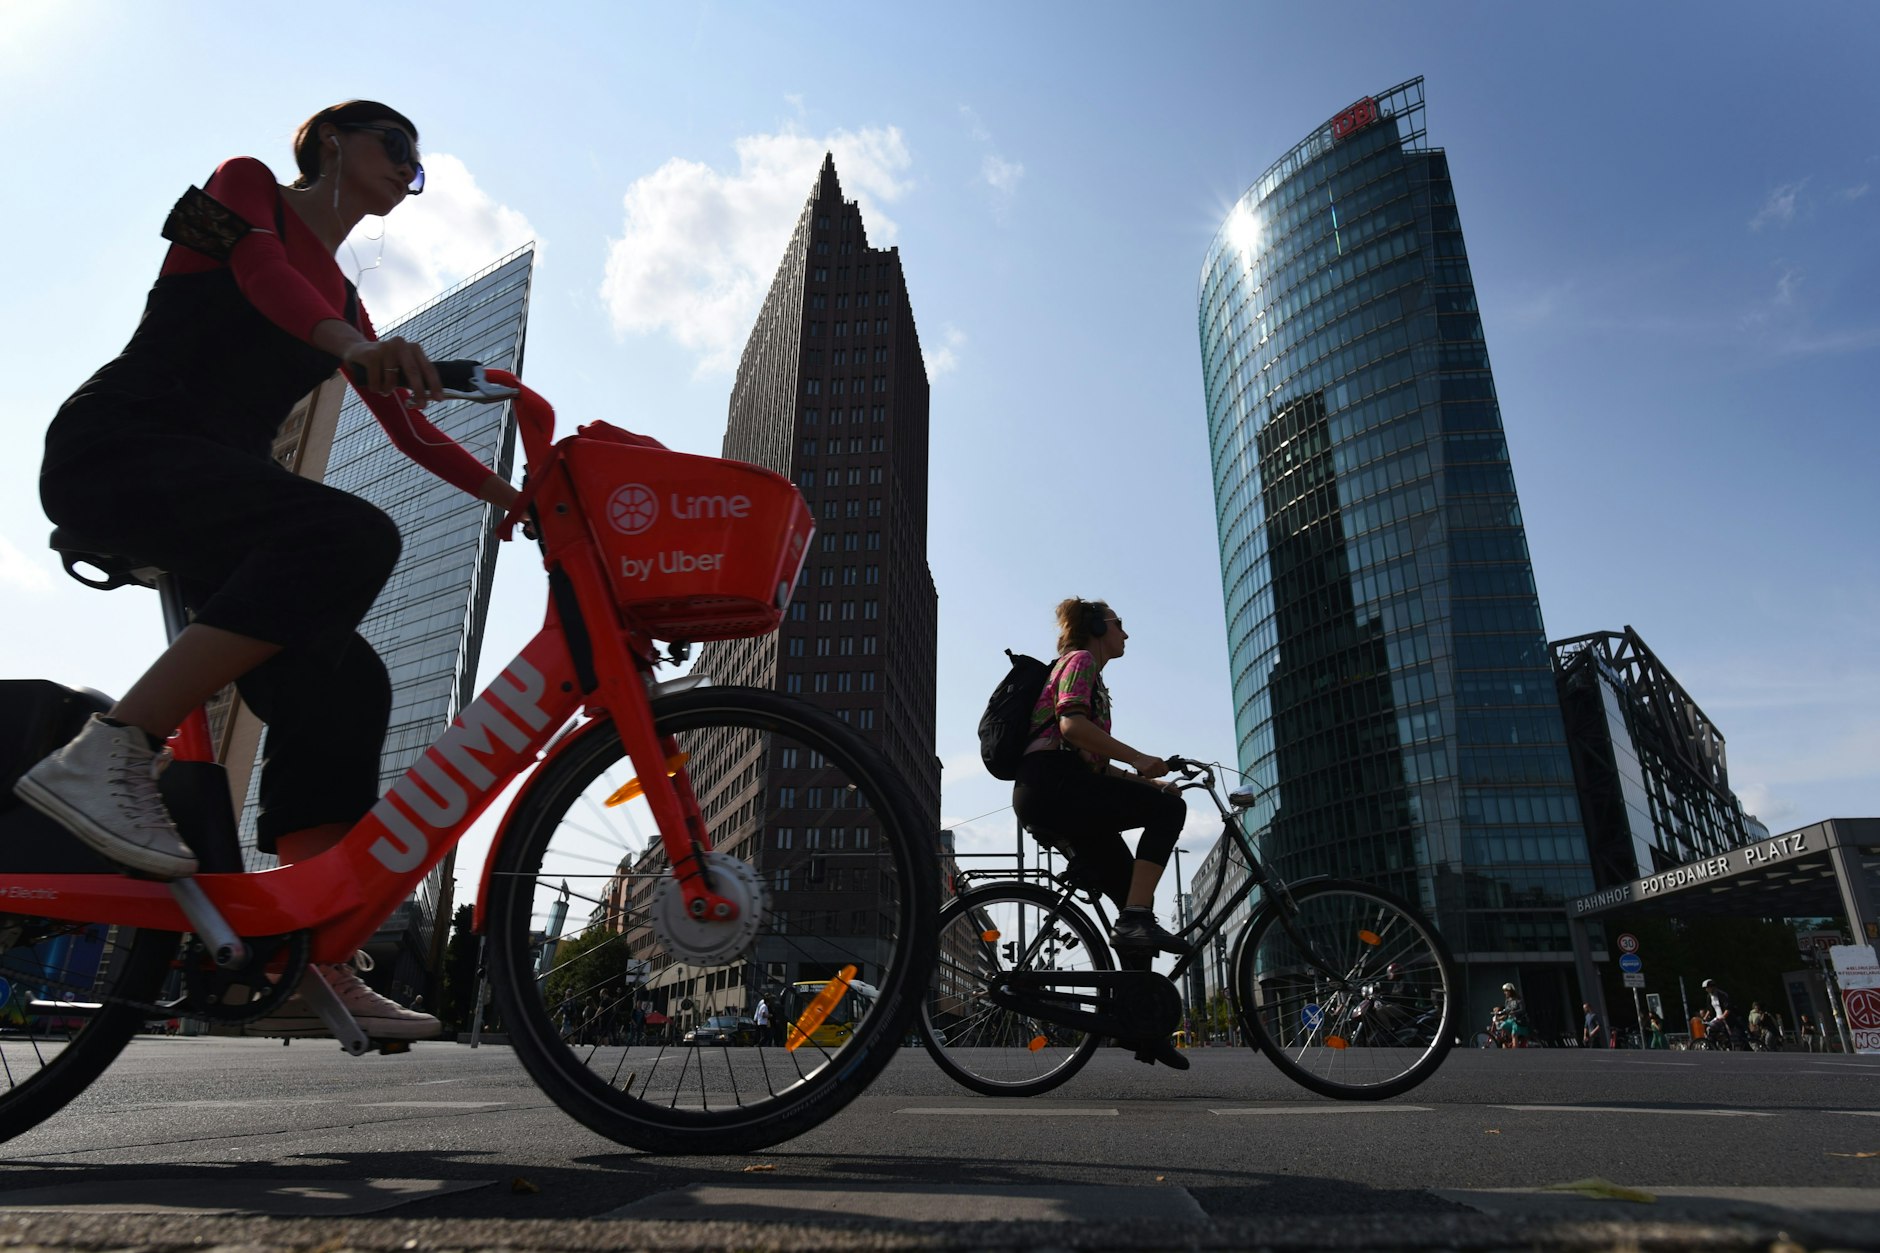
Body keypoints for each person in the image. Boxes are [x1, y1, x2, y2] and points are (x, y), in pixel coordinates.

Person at [13, 102, 520, 1042]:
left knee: (348, 680)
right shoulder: (243, 187)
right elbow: (260, 272)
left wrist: (514, 498)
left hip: (221, 497)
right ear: (332, 139)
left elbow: (408, 428)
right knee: (353, 537)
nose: (409, 174)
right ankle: (113, 748)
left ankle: (307, 956)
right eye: (395, 149)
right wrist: (352, 346)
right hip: (123, 446)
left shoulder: (347, 305)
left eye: (419, 167)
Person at [1011, 598, 1188, 1069]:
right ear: (1095, 627)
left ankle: (1142, 1027)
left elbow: (1095, 763)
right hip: (1052, 784)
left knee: (1135, 911)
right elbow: (1070, 726)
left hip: (1058, 787)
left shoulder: (1093, 675)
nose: (1126, 635)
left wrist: (1145, 779)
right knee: (1169, 814)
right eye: (1119, 625)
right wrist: (1140, 760)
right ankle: (1134, 918)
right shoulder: (1081, 660)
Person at [1702, 979, 1746, 1050]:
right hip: (1717, 1018)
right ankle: (1716, 1045)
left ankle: (1726, 1043)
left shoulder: (1722, 995)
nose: (1706, 990)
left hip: (1726, 1018)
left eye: (1707, 988)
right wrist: (1705, 1018)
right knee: (1708, 1029)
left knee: (1712, 1029)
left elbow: (1728, 1008)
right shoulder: (1709, 997)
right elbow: (1709, 1009)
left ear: (1712, 987)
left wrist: (1723, 1016)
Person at [1497, 983, 1530, 1047]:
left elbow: (1522, 1009)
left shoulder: (1518, 999)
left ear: (1510, 991)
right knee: (1503, 1026)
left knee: (1514, 1034)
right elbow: (1506, 1009)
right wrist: (1500, 1012)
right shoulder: (1507, 1000)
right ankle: (1511, 1040)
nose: (1505, 993)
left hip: (1518, 1020)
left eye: (1506, 991)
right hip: (1510, 1019)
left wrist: (1514, 1012)